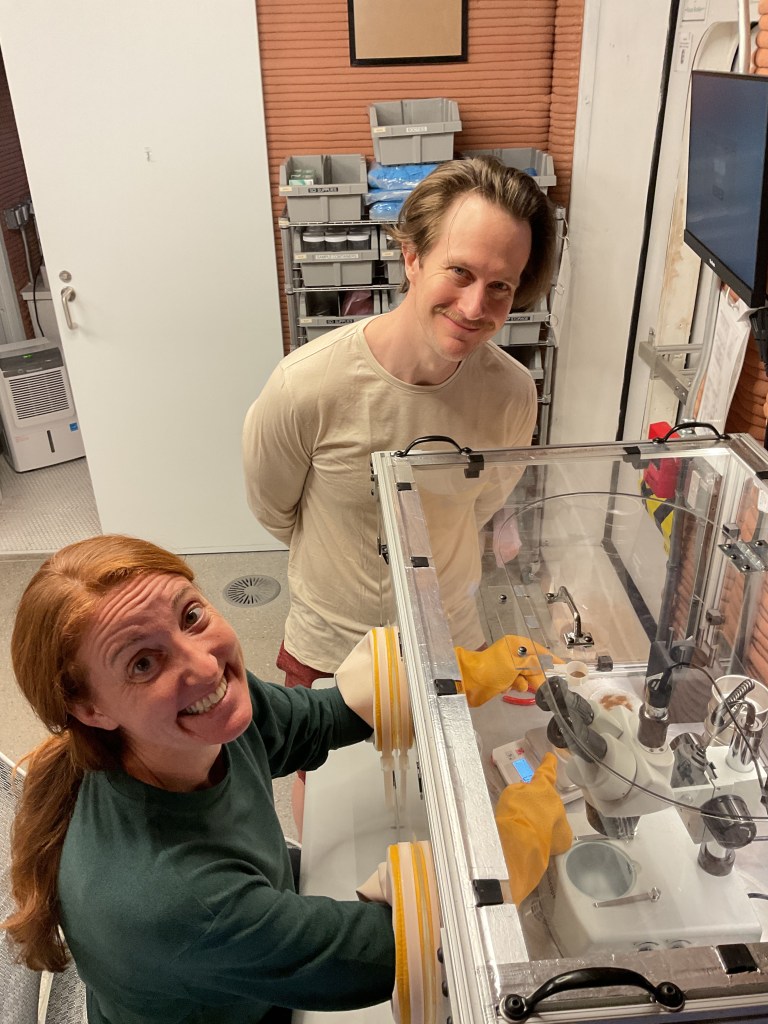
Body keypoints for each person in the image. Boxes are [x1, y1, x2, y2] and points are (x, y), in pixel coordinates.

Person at [1, 535, 395, 1024]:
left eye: (190, 616)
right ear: (91, 710)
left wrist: (441, 675)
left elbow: (315, 721)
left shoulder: (194, 721)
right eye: (143, 663)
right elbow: (387, 955)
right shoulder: (179, 899)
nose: (207, 667)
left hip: (226, 961)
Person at [243, 156, 557, 688]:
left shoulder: (511, 394)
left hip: (449, 638)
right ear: (412, 256)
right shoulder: (307, 385)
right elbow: (274, 509)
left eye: (501, 286)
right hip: (334, 648)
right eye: (460, 272)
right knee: (333, 776)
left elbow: (481, 506)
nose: (475, 305)